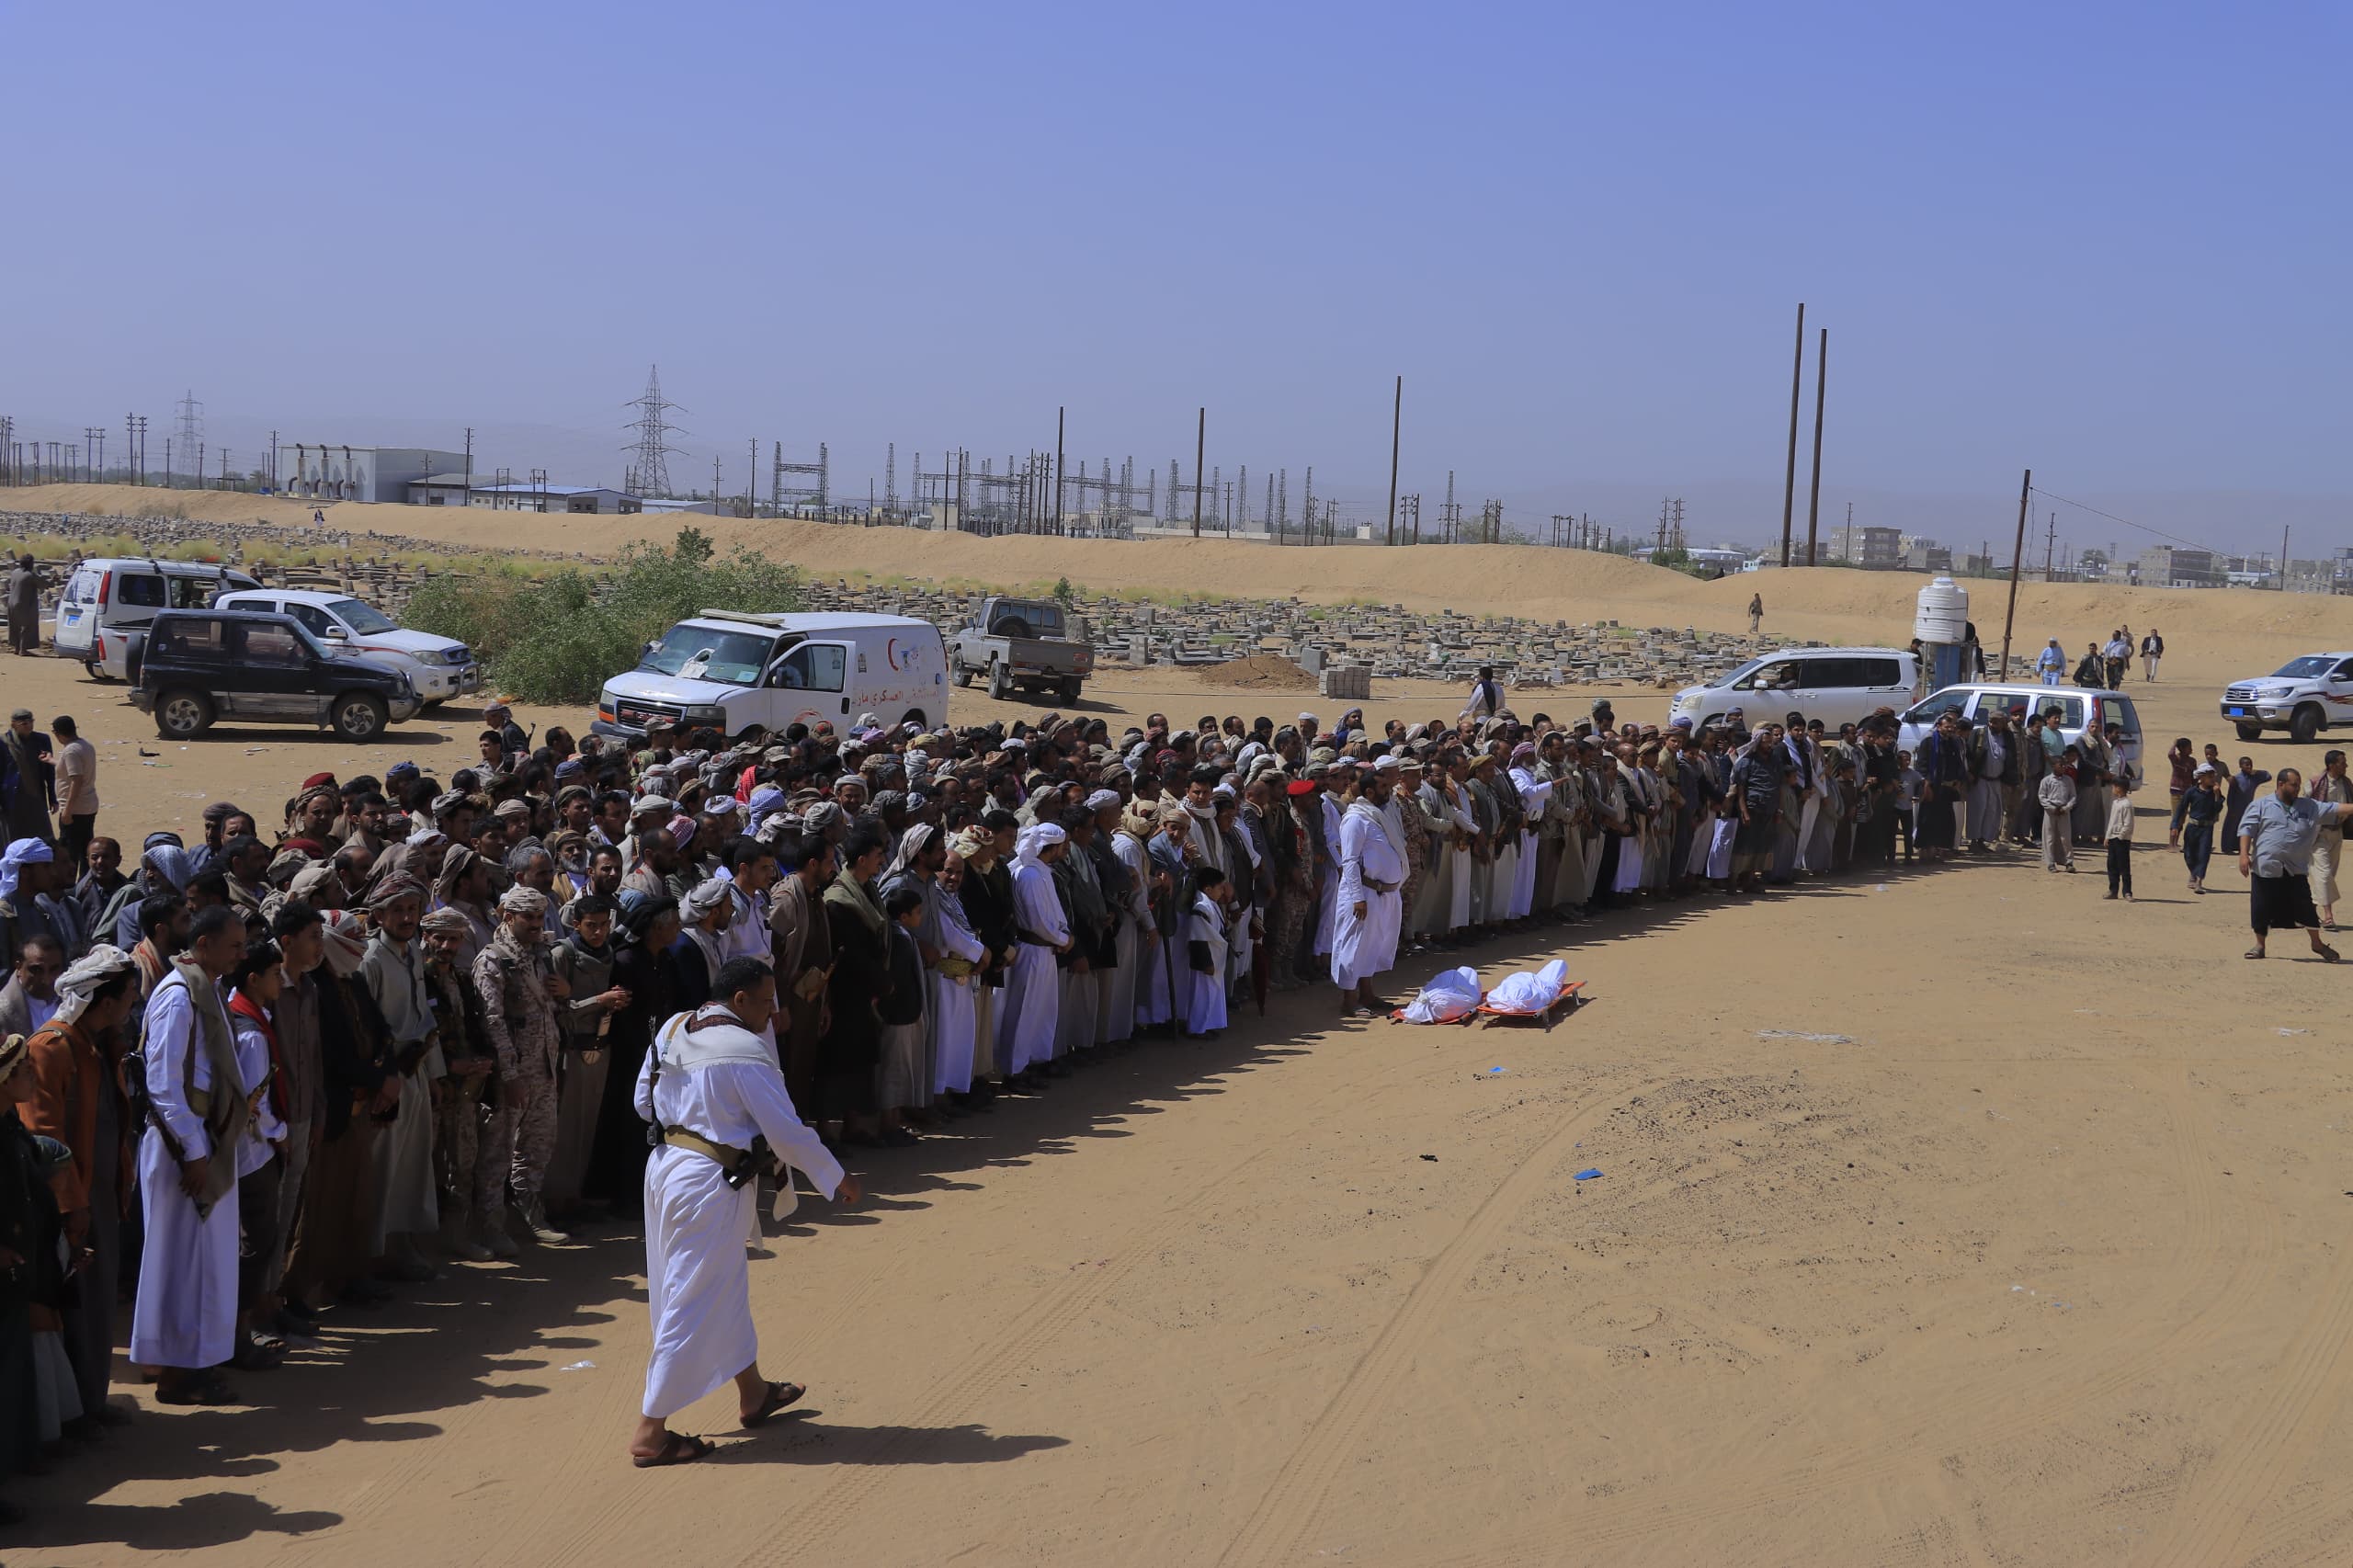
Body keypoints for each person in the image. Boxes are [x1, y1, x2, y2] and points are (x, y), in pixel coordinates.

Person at [630, 957, 858, 1468]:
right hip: (708, 1183)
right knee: (692, 1296)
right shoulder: (744, 1048)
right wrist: (834, 1175)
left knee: (721, 1284)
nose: (773, 1010)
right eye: (766, 1000)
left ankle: (753, 1393)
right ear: (739, 1001)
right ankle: (651, 1431)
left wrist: (690, 1111)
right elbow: (785, 1130)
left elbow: (643, 1103)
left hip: (666, 1169)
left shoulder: (670, 1027)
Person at [128, 904, 250, 1405]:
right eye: (234, 946)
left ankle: (197, 1362)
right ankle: (175, 1375)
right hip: (183, 1150)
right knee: (180, 1262)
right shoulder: (179, 997)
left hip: (205, 1143)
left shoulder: (209, 990)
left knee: (209, 1262)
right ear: (204, 946)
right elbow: (162, 1083)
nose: (241, 954)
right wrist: (195, 1152)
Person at [476, 884, 568, 1244]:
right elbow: (493, 1021)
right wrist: (510, 1075)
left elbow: (552, 1010)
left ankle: (530, 1215)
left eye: (539, 916)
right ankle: (491, 1226)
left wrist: (566, 994)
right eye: (527, 917)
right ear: (508, 917)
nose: (535, 923)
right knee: (498, 1152)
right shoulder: (493, 960)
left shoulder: (541, 954)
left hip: (544, 1066)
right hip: (511, 1075)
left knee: (537, 1146)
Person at [2238, 768, 2353, 961]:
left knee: (2306, 907)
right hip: (2267, 866)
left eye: (2299, 785)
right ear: (2281, 784)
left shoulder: (2310, 806)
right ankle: (2260, 946)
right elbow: (2247, 829)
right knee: (2261, 908)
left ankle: (2317, 944)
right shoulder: (2261, 805)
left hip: (2295, 869)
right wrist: (2243, 855)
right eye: (2293, 785)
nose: (2297, 789)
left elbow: (2336, 808)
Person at [1332, 759, 1406, 1016]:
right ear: (1370, 792)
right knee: (1354, 946)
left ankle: (1368, 995)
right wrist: (1357, 898)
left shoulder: (1379, 815)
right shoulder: (1355, 819)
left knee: (1372, 946)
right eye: (1384, 786)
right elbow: (1350, 860)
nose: (1390, 789)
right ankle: (1349, 1002)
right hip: (1363, 894)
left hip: (1382, 894)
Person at [2311, 751, 2352, 931]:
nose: (2346, 766)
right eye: (2343, 763)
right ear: (2332, 765)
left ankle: (2307, 911)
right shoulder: (2315, 783)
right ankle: (2328, 917)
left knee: (2327, 876)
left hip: (2337, 834)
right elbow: (2303, 807)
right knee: (2324, 874)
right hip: (2318, 835)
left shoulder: (2347, 783)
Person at [51, 717, 96, 870]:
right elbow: (70, 768)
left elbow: (77, 780)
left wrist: (67, 812)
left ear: (57, 734)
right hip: (88, 806)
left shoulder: (70, 750)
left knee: (69, 854)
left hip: (76, 810)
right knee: (85, 850)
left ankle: (70, 889)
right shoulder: (85, 745)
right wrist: (52, 761)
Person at [2180, 765, 2223, 894]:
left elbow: (2217, 809)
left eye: (2213, 776)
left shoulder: (2215, 793)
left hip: (2207, 828)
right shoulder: (2192, 792)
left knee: (2203, 855)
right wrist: (2175, 825)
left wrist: (2216, 795)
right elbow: (2182, 808)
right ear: (2201, 777)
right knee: (2188, 854)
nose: (2212, 779)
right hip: (2192, 827)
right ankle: (2193, 872)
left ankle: (2199, 881)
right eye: (2209, 776)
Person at [2038, 758, 2077, 873]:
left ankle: (2068, 862)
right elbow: (2042, 797)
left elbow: (2073, 796)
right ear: (2054, 766)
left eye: (2065, 765)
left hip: (2064, 811)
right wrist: (2052, 808)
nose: (2064, 767)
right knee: (2049, 838)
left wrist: (2066, 808)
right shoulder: (2046, 781)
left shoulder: (2068, 781)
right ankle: (2050, 863)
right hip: (2050, 811)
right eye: (2061, 765)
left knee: (2065, 838)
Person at [2102, 778, 2135, 901]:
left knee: (2124, 866)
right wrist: (2107, 836)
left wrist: (2120, 836)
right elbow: (2111, 821)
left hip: (2122, 839)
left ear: (2119, 788)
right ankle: (2113, 890)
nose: (2113, 789)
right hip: (2113, 838)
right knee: (2111, 865)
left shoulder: (2126, 804)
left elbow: (2128, 824)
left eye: (2114, 787)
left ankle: (2127, 892)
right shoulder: (2115, 803)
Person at [3, 556, 41, 657]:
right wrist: (53, 581)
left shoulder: (15, 572)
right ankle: (23, 650)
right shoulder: (30, 575)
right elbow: (44, 584)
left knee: (15, 626)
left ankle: (16, 648)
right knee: (27, 626)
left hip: (11, 603)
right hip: (23, 604)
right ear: (30, 564)